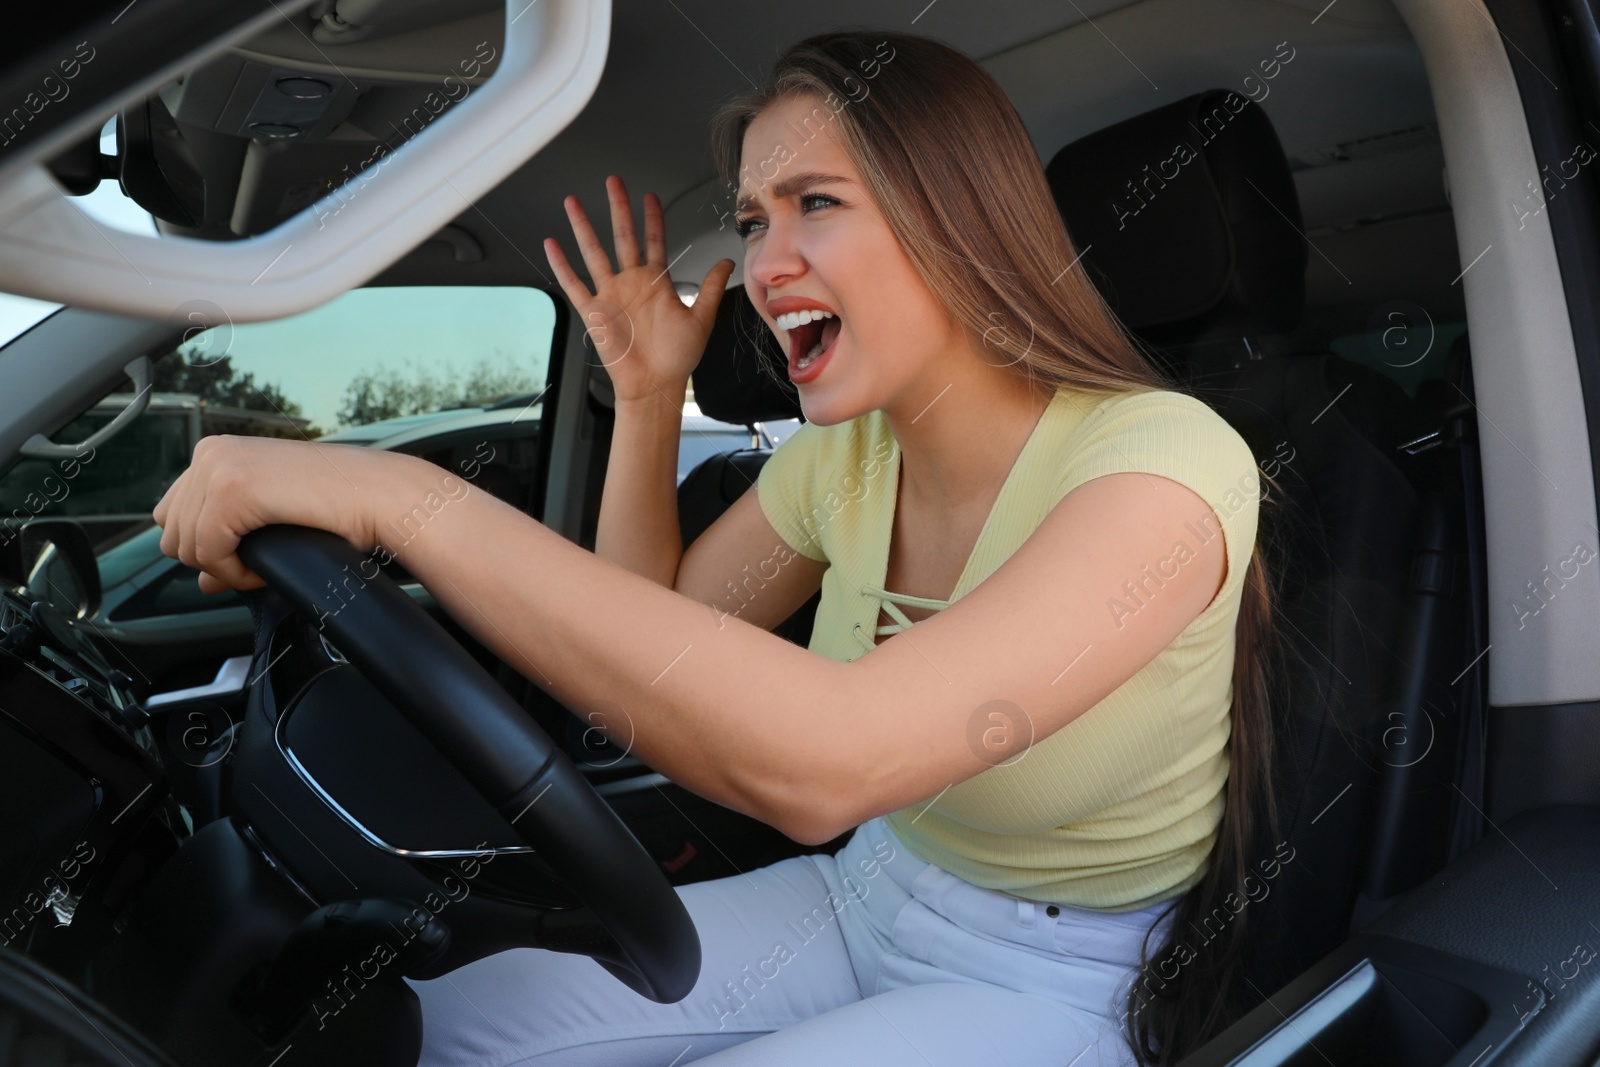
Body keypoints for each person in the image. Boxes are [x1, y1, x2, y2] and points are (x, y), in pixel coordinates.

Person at [152, 29, 1282, 1067]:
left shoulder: (1166, 468)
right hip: (874, 886)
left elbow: (828, 764)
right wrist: (646, 398)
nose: (766, 260)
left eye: (814, 203)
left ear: (952, 215)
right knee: (441, 1032)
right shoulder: (846, 460)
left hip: (1054, 971)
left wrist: (400, 498)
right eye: (752, 220)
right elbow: (654, 650)